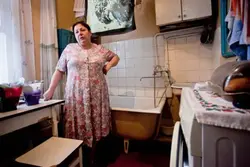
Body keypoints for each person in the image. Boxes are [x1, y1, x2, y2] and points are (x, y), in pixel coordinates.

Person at [43, 21, 120, 166]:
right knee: (78, 126)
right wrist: (50, 89)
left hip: (97, 95)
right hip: (76, 96)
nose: (80, 33)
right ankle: (80, 156)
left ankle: (94, 156)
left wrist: (108, 66)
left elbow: (116, 57)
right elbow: (59, 70)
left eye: (82, 30)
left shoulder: (100, 49)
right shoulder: (69, 49)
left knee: (95, 123)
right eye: (76, 32)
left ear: (90, 33)